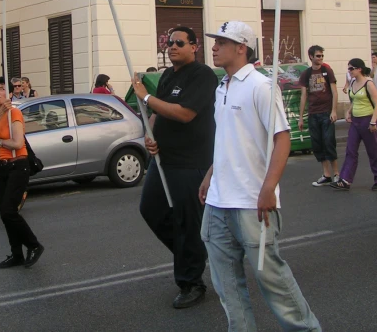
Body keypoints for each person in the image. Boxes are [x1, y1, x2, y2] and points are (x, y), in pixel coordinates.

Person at [199, 21, 321, 332]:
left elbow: (282, 138)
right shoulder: (221, 87)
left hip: (252, 203)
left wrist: (269, 188)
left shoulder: (261, 86)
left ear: (241, 48)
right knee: (226, 286)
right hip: (217, 202)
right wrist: (210, 174)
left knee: (272, 279)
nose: (213, 47)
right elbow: (229, 138)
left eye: (221, 42)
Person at [131, 26, 217, 309]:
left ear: (194, 46)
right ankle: (193, 254)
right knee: (151, 210)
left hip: (190, 162)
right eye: (169, 42)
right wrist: (149, 135)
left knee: (187, 222)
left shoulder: (202, 76)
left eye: (179, 42)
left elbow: (184, 114)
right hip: (163, 160)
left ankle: (191, 282)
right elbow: (158, 112)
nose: (172, 46)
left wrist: (143, 95)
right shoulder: (168, 75)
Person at [0, 77, 44, 269]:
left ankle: (34, 245)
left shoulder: (15, 113)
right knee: (5, 213)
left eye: (2, 89)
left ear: (9, 94)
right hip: (3, 167)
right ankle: (16, 253)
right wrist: (0, 112)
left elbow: (18, 143)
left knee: (10, 210)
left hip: (19, 165)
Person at [331, 58, 377, 191]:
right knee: (351, 150)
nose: (349, 71)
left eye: (351, 69)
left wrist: (373, 121)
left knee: (373, 151)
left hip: (367, 120)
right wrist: (349, 112)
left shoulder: (368, 83)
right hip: (356, 120)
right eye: (348, 69)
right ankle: (345, 180)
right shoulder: (353, 82)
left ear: (359, 69)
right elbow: (355, 100)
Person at [298, 45, 339, 186]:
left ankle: (336, 174)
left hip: (326, 113)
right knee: (318, 144)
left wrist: (334, 111)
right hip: (313, 114)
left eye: (322, 56)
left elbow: (334, 92)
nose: (320, 58)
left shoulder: (327, 71)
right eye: (318, 56)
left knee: (329, 142)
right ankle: (326, 175)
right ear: (311, 57)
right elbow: (303, 96)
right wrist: (300, 117)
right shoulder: (306, 74)